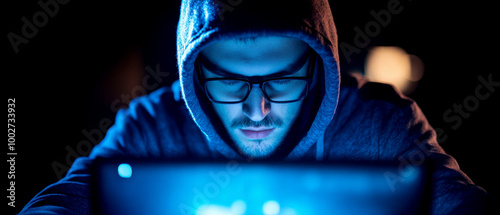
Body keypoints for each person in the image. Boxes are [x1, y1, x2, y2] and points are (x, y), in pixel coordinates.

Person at [20, 0, 495, 214]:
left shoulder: (379, 125)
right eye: (228, 81)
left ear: (318, 71)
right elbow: (68, 197)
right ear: (195, 79)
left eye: (281, 79)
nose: (256, 109)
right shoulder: (154, 126)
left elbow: (456, 201)